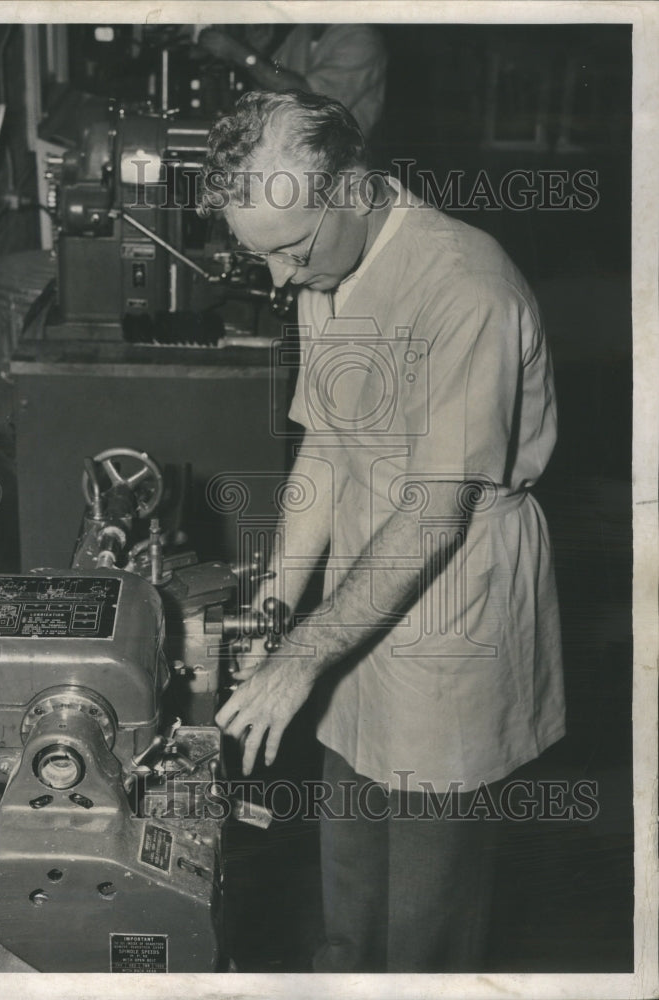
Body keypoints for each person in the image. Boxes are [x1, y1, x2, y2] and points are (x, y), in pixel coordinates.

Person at [200, 90, 565, 972]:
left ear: (352, 189)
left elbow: (437, 511)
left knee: (424, 924)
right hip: (357, 606)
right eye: (264, 260)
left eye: (288, 253)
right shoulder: (330, 266)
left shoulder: (461, 287)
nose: (282, 281)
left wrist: (301, 656)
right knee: (352, 893)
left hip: (453, 601)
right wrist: (276, 607)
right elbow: (326, 445)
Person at [198, 23, 386, 135]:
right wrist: (257, 53)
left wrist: (241, 54)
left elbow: (313, 98)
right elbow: (272, 87)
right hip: (298, 153)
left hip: (340, 163)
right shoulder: (303, 32)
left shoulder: (362, 39)